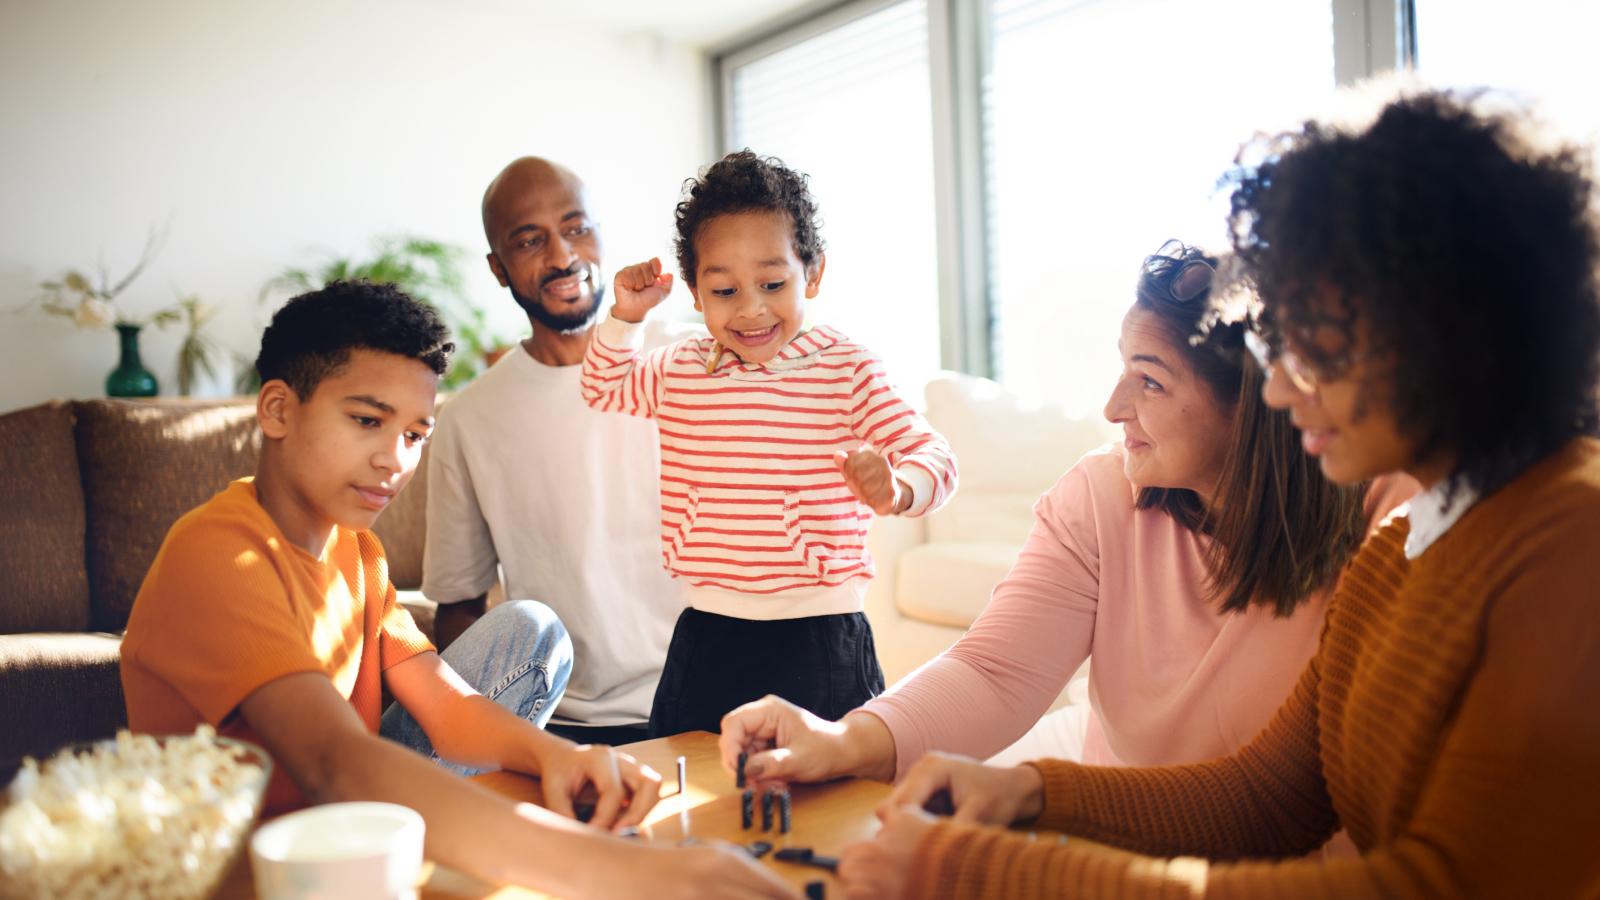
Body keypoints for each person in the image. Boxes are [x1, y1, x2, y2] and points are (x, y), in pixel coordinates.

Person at [833, 85, 1600, 898]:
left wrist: (986, 868)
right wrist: (1030, 790)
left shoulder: (1570, 540)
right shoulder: (1401, 547)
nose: (1281, 390)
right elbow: (1268, 797)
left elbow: (1438, 885)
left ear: (1440, 326)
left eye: (1320, 343)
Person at [121, 281, 796, 898]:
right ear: (277, 409)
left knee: (528, 630)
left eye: (416, 434)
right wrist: (631, 875)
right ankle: (495, 842)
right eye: (367, 421)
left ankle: (482, 837)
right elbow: (334, 762)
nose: (396, 460)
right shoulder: (215, 554)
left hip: (358, 823)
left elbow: (442, 702)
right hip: (251, 866)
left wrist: (560, 756)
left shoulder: (357, 549)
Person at [719, 242, 1413, 794]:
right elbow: (995, 672)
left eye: (1150, 379)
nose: (1113, 407)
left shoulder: (1381, 509)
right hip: (1127, 822)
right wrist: (842, 740)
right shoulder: (1102, 495)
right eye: (1122, 369)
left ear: (1253, 407)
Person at [580, 150, 959, 737]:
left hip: (820, 633)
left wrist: (898, 487)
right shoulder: (681, 367)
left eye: (773, 283)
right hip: (708, 628)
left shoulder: (846, 367)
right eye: (725, 290)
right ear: (695, 293)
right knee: (693, 795)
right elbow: (603, 388)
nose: (752, 308)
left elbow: (935, 456)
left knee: (836, 800)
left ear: (813, 273)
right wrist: (625, 318)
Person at [419, 157, 686, 747]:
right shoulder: (468, 420)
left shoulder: (690, 362)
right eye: (529, 240)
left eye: (576, 228)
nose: (563, 257)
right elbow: (459, 611)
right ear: (498, 268)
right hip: (563, 728)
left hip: (715, 700)